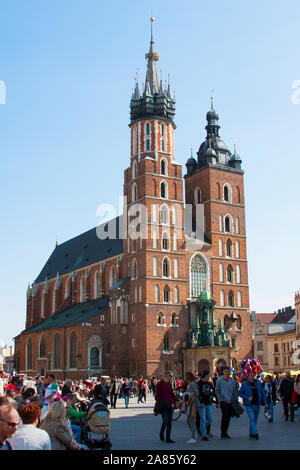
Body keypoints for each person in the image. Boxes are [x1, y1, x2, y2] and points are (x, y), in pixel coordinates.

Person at [239, 371, 268, 440]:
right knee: (252, 419)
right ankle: (255, 433)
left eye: (253, 375)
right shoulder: (245, 384)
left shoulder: (258, 383)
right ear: (248, 376)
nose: (252, 377)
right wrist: (247, 397)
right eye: (250, 376)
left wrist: (266, 403)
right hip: (249, 405)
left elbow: (263, 393)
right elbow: (240, 393)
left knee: (255, 420)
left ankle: (251, 432)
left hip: (257, 404)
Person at [215, 367, 237, 439]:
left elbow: (234, 390)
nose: (228, 373)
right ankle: (223, 431)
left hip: (230, 401)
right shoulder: (219, 380)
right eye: (226, 371)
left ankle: (225, 431)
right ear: (223, 372)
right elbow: (217, 390)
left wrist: (235, 399)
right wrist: (219, 399)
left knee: (229, 416)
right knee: (225, 415)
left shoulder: (232, 380)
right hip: (223, 401)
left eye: (229, 371)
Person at [155, 371, 177, 444]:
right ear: (165, 376)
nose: (170, 378)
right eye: (169, 376)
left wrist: (175, 401)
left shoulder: (169, 384)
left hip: (169, 405)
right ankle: (161, 433)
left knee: (170, 422)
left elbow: (171, 393)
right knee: (165, 421)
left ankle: (168, 437)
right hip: (163, 406)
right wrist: (159, 402)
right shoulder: (159, 384)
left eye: (170, 377)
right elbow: (157, 395)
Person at [184, 372, 200, 444]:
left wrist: (190, 395)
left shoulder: (192, 384)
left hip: (193, 404)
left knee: (191, 420)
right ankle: (195, 433)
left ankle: (194, 437)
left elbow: (196, 393)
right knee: (189, 420)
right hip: (190, 404)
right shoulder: (190, 384)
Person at [198, 370, 214, 441]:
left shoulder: (209, 383)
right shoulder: (199, 383)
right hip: (202, 404)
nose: (209, 376)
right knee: (203, 419)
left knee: (210, 418)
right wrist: (201, 402)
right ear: (205, 375)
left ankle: (202, 429)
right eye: (208, 375)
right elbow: (199, 394)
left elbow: (213, 391)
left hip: (208, 403)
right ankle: (204, 435)